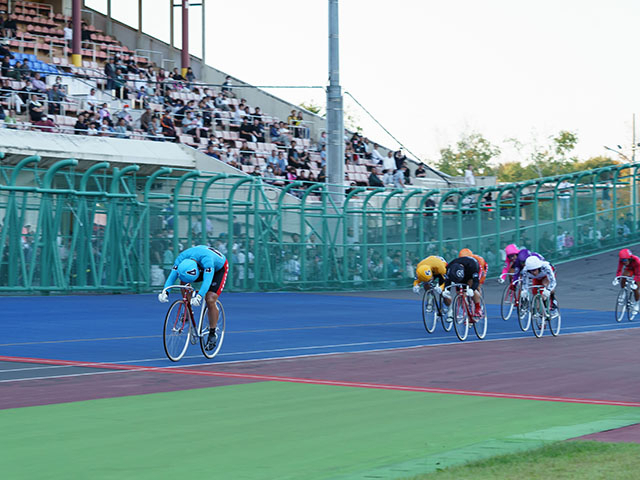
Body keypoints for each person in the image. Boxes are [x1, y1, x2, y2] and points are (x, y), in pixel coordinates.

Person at [158, 245, 229, 350]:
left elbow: (207, 281)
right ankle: (187, 310)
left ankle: (212, 333)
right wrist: (165, 291)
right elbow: (172, 276)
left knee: (210, 299)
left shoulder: (207, 260)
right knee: (184, 283)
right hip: (198, 264)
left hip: (218, 269)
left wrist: (199, 296)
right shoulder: (181, 259)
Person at [613, 248, 640, 314]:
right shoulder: (622, 260)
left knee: (635, 288)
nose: (623, 262)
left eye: (625, 260)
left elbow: (638, 274)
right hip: (629, 269)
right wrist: (617, 278)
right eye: (622, 260)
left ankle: (637, 303)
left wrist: (634, 282)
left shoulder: (637, 261)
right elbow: (619, 270)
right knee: (623, 276)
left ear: (629, 258)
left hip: (638, 271)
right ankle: (623, 292)